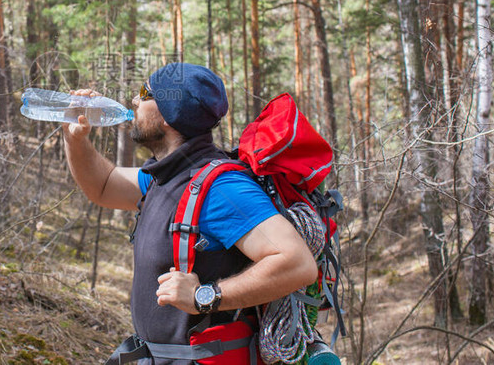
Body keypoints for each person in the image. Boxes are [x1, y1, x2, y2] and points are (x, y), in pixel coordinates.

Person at [62, 62, 318, 364]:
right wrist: (74, 138)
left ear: (170, 115)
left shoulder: (221, 190)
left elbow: (298, 263)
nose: (134, 100)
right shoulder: (165, 177)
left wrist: (205, 296)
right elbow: (102, 187)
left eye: (145, 93)